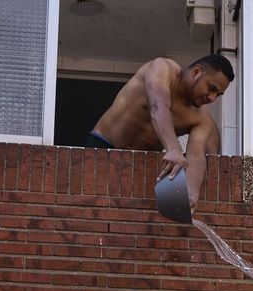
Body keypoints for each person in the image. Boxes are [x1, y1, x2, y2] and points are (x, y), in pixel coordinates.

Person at [85, 54, 235, 212]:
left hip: (142, 162)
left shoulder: (201, 117)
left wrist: (192, 193)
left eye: (218, 94)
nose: (212, 98)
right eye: (211, 88)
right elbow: (158, 106)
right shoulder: (163, 68)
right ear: (196, 71)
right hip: (103, 144)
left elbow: (196, 154)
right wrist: (173, 149)